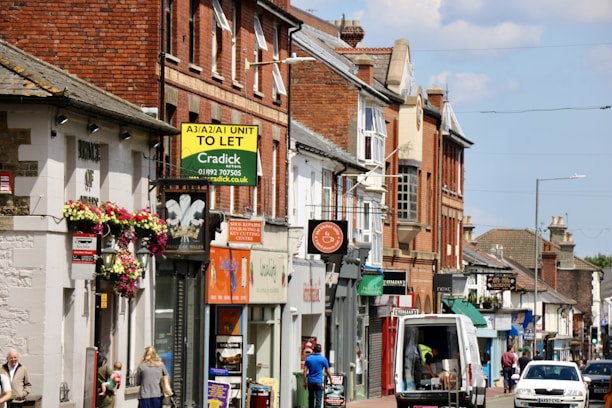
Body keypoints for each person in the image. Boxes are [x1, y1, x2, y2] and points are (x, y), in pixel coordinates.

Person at [302, 343, 332, 408]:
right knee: (318, 399)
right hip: (318, 381)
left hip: (310, 381)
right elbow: (327, 371)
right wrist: (330, 379)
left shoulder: (308, 359)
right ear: (321, 350)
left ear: (313, 349)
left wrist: (304, 382)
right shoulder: (323, 359)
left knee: (311, 398)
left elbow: (305, 371)